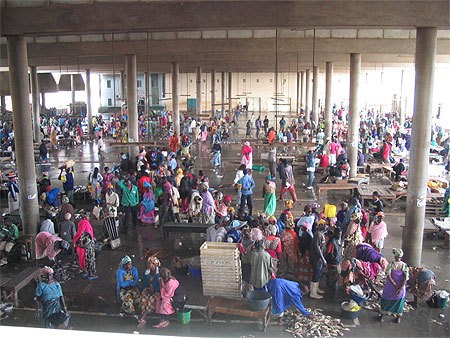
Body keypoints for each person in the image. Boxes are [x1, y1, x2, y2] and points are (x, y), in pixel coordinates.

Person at [378, 248, 409, 323]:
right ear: (401, 257)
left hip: (390, 287)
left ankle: (382, 317)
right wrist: (400, 287)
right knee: (399, 302)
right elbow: (406, 278)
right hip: (401, 287)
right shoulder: (404, 266)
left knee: (386, 300)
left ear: (395, 256)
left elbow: (389, 276)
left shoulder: (391, 265)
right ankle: (398, 317)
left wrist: (395, 285)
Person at [138, 257, 161, 328]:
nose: (148, 265)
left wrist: (156, 291)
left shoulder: (159, 273)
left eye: (150, 263)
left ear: (155, 265)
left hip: (157, 291)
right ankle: (143, 316)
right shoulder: (146, 273)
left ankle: (142, 318)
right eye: (148, 263)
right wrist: (145, 289)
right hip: (149, 290)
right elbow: (143, 284)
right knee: (144, 299)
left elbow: (161, 285)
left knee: (151, 300)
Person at [74, 213, 97, 279]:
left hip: (82, 245)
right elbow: (81, 233)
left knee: (82, 259)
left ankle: (85, 272)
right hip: (86, 245)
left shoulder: (82, 222)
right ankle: (90, 274)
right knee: (89, 259)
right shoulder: (85, 223)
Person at [309, 221, 327, 299]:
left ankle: (316, 288)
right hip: (316, 259)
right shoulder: (318, 235)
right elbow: (317, 248)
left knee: (318, 274)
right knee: (316, 274)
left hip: (319, 259)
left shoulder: (321, 234)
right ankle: (313, 293)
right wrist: (323, 259)